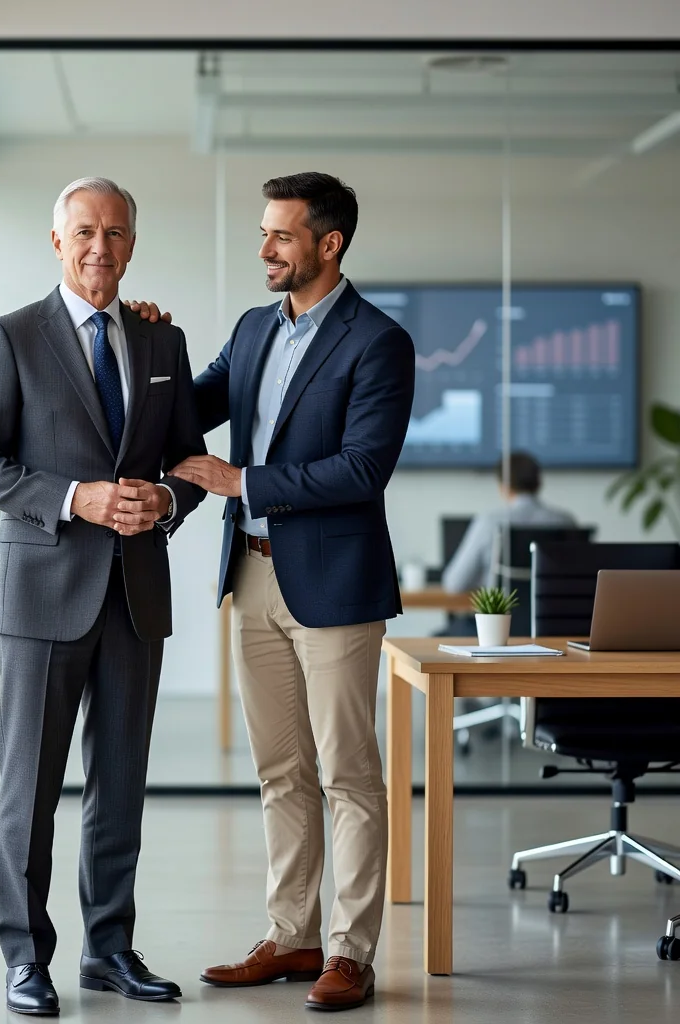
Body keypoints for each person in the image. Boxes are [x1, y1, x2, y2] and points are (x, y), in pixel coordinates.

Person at [0, 177, 206, 1016]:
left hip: (135, 593)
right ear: (57, 241)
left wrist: (165, 501)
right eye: (86, 232)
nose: (102, 247)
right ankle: (26, 958)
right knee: (29, 787)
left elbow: (188, 462)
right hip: (42, 592)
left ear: (133, 243)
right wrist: (75, 498)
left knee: (120, 782)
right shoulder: (12, 337)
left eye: (117, 232)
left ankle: (108, 949)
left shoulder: (160, 343)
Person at [170, 172, 415, 1013]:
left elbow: (361, 469)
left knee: (348, 773)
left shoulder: (377, 342)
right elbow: (191, 405)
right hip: (253, 572)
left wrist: (244, 480)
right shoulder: (251, 329)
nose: (266, 247)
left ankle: (350, 951)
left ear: (328, 244)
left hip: (336, 584)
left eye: (281, 234)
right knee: (282, 771)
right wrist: (141, 345)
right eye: (265, 232)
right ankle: (292, 934)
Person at [441, 451, 576, 594]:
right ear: (539, 483)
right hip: (552, 614)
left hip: (501, 614)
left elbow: (455, 582)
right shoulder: (566, 522)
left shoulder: (489, 522)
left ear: (502, 486)